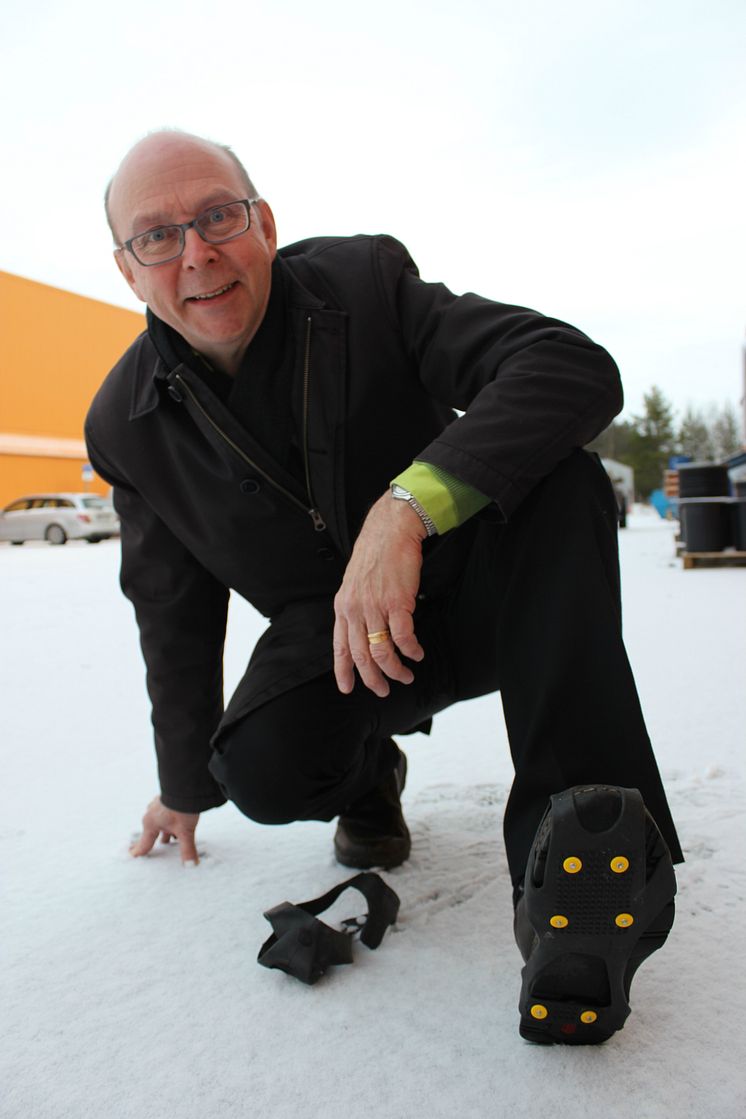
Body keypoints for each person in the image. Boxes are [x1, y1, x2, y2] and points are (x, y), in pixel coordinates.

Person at [86, 129, 683, 1045]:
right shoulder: (125, 424)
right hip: (340, 646)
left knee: (561, 476)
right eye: (156, 236)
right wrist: (181, 787)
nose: (196, 253)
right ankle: (371, 780)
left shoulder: (362, 285)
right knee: (257, 762)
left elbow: (568, 365)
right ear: (129, 270)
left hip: (487, 592)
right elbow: (169, 604)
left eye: (217, 216)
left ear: (266, 224)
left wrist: (407, 508)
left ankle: (581, 849)